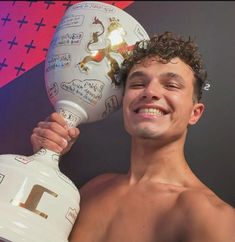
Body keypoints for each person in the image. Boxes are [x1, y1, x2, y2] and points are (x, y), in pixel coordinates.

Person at [31, 32, 235, 242]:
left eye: (171, 85)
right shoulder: (93, 189)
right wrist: (43, 161)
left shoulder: (213, 217)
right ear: (125, 102)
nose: (150, 91)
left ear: (195, 113)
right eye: (138, 84)